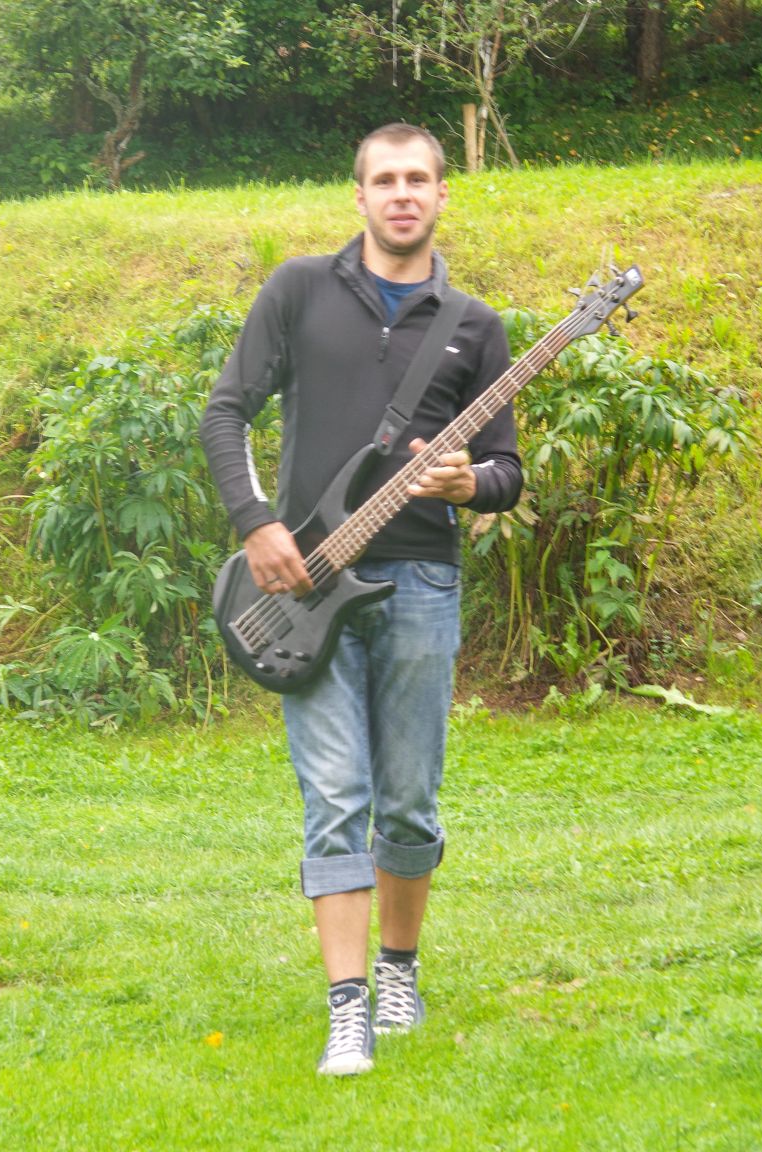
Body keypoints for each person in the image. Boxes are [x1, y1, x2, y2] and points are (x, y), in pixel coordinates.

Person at [199, 123, 522, 1076]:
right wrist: (256, 523)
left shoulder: (474, 325)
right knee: (336, 797)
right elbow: (225, 412)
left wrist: (469, 482)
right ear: (360, 195)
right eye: (386, 179)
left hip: (422, 583)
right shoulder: (299, 290)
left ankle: (398, 970)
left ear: (443, 193)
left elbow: (506, 472)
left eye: (419, 178)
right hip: (305, 582)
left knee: (409, 804)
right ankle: (348, 1008)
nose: (403, 193)